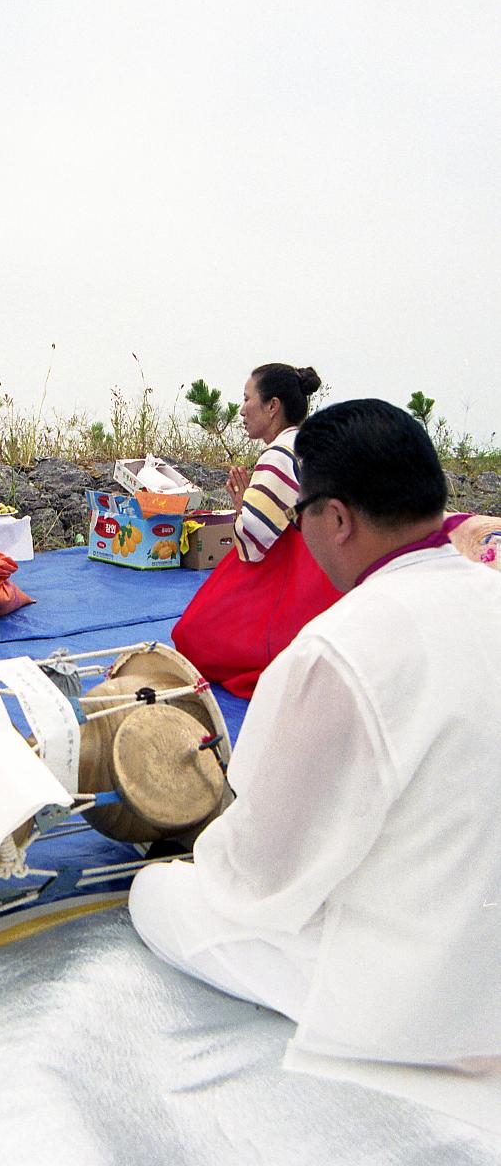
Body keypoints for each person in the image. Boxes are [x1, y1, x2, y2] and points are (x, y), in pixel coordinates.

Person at [130, 400, 501, 1124]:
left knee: (161, 894)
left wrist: (195, 846)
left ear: (336, 518)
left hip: (431, 1000)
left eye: (301, 516)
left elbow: (260, 876)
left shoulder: (337, 647)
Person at [172, 362, 339, 698]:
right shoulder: (310, 444)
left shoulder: (278, 454)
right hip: (326, 572)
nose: (242, 410)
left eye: (247, 398)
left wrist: (241, 505)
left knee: (191, 636)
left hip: (292, 573)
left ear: (272, 405)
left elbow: (255, 539)